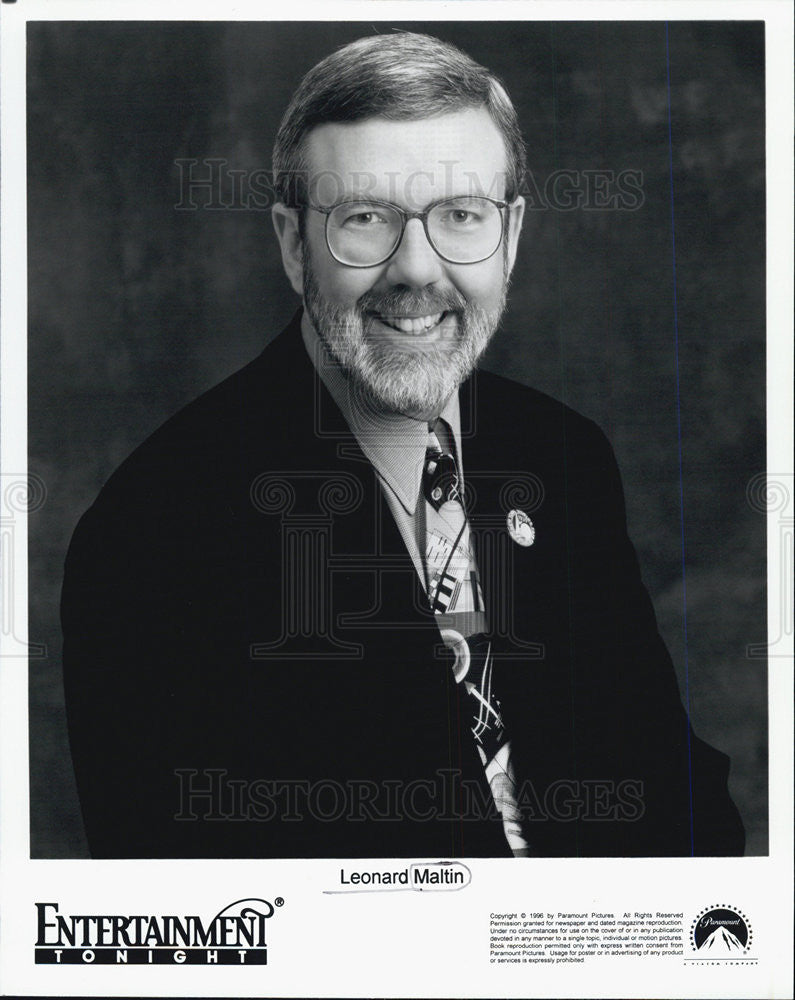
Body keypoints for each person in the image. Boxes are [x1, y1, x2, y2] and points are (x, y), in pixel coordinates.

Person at [62, 32, 744, 859]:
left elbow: (668, 786)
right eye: (365, 219)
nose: (416, 270)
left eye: (460, 215)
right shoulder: (156, 530)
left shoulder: (562, 456)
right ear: (290, 243)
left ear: (512, 233)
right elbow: (206, 919)